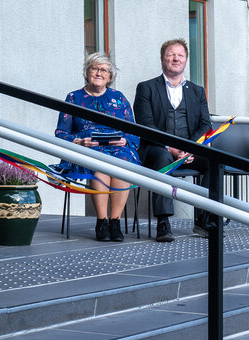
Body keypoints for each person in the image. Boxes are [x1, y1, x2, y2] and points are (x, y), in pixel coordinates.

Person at [55, 52, 141, 242]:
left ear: (110, 76)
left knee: (122, 162)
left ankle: (115, 222)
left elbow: (134, 131)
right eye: (95, 68)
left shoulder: (119, 98)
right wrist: (79, 141)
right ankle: (102, 221)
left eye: (104, 70)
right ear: (87, 72)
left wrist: (125, 140)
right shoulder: (73, 97)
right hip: (88, 148)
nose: (99, 73)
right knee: (100, 163)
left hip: (117, 148)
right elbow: (60, 134)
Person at [134, 39, 212, 242]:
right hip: (157, 148)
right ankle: (163, 222)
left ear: (186, 60)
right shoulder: (146, 88)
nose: (176, 58)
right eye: (171, 54)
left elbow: (205, 124)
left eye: (180, 55)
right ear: (162, 59)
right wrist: (171, 148)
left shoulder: (197, 91)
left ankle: (204, 220)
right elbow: (145, 124)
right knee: (162, 158)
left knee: (214, 161)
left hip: (189, 149)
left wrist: (189, 149)